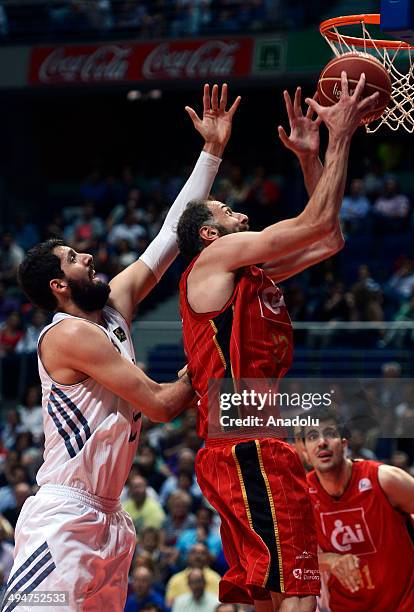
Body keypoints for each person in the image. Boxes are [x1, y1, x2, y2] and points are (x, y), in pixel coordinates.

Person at [6, 83, 239, 610]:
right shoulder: (67, 335)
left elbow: (169, 238)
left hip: (110, 517)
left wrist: (211, 152)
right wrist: (208, 357)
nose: (87, 257)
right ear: (58, 286)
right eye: (73, 258)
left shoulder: (113, 307)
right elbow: (158, 405)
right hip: (64, 514)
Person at [177, 76, 379, 611]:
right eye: (228, 213)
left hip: (239, 448)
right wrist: (341, 136)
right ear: (210, 235)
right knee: (300, 589)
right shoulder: (216, 260)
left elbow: (328, 236)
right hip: (248, 445)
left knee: (264, 592)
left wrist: (310, 158)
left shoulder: (252, 276)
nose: (241, 215)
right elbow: (314, 221)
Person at [295, 410, 414, 612]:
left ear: (344, 443)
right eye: (312, 436)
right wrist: (330, 560)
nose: (321, 442)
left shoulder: (384, 480)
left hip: (404, 606)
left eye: (329, 433)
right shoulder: (302, 497)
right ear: (304, 452)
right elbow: (294, 557)